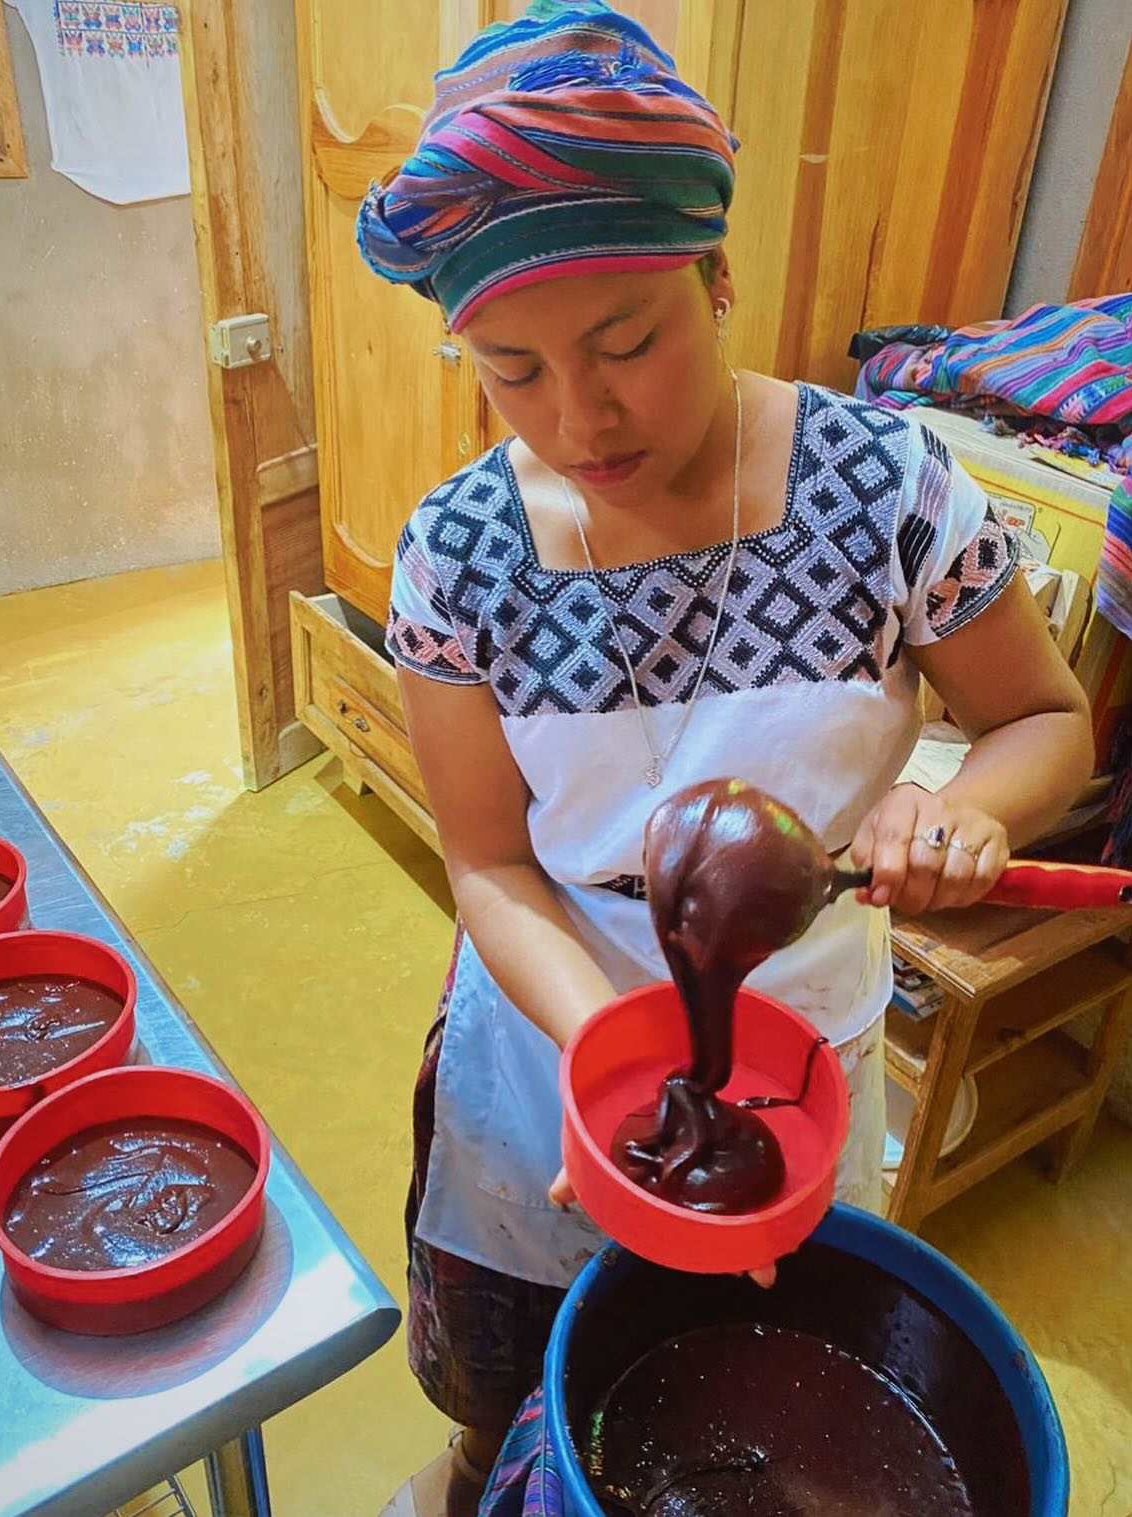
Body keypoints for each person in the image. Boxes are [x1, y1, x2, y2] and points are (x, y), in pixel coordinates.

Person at [357, 5, 1094, 1514]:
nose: (580, 416)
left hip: (792, 1078)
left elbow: (1046, 720)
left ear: (717, 275)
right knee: (514, 1415)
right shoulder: (457, 555)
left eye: (628, 342)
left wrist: (959, 809)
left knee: (744, 1418)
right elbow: (489, 862)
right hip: (540, 1065)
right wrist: (607, 1060)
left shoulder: (885, 491)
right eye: (511, 370)